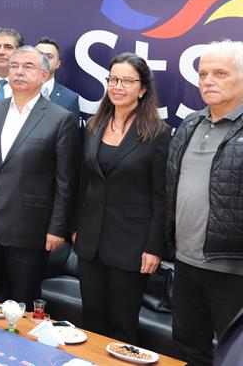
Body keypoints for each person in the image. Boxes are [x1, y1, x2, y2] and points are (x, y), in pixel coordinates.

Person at [0, 45, 79, 309]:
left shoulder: (60, 119)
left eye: (28, 66)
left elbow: (66, 181)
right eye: (14, 66)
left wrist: (57, 228)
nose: (19, 71)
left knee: (21, 306)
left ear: (44, 75)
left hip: (30, 229)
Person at [72, 52, 170, 344]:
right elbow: (82, 182)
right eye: (113, 79)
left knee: (123, 325)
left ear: (142, 89)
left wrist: (154, 247)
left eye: (127, 81)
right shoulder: (93, 125)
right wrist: (75, 228)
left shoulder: (157, 133)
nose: (117, 86)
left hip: (132, 245)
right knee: (91, 320)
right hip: (90, 241)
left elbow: (161, 196)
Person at [166, 40, 243, 366]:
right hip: (185, 264)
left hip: (233, 270)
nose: (208, 81)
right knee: (187, 348)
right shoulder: (189, 124)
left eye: (220, 73)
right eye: (203, 74)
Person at [35, 36, 81, 125]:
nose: (43, 60)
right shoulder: (17, 91)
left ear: (58, 64)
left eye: (49, 56)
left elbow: (71, 133)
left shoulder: (70, 99)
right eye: (39, 55)